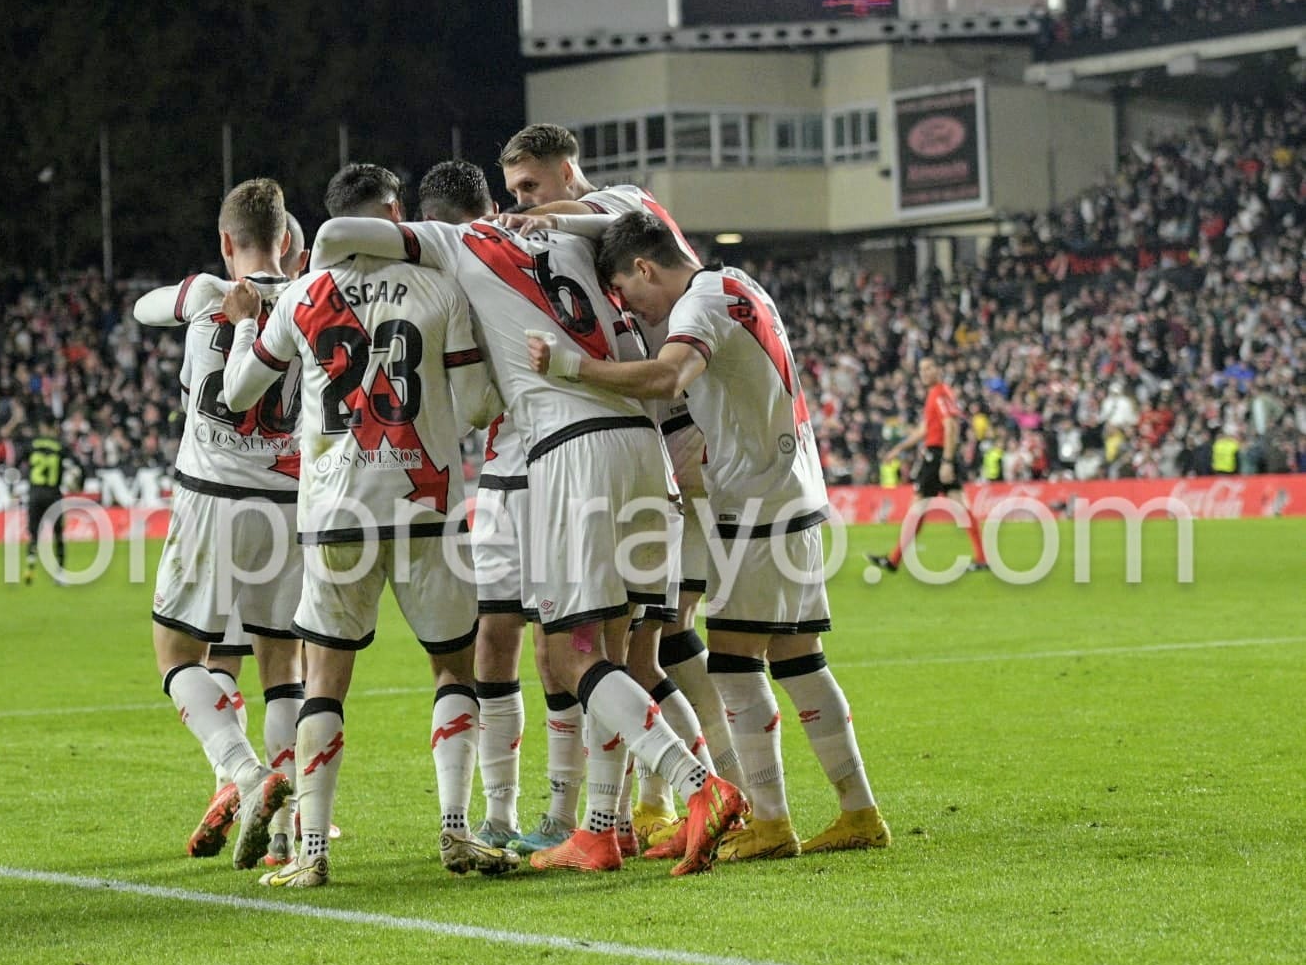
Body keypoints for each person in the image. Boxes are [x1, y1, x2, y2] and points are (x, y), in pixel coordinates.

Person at [310, 160, 746, 877]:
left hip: (573, 456)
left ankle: (703, 787)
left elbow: (334, 230)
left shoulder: (457, 244)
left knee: (571, 656)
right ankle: (602, 828)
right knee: (609, 648)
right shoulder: (575, 237)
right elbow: (643, 224)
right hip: (644, 449)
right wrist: (561, 216)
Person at [526, 209, 890, 858]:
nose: (632, 311)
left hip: (758, 503)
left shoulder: (699, 304)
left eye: (628, 294)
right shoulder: (742, 284)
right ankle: (858, 812)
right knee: (800, 662)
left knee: (732, 663)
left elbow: (668, 376)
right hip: (795, 491)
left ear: (644, 267)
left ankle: (772, 822)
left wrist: (571, 367)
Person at [218, 163, 514, 888]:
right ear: (394, 213)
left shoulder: (304, 295)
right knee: (452, 668)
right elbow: (478, 406)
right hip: (427, 505)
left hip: (336, 511)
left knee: (325, 681)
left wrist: (243, 322)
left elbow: (237, 392)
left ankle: (313, 854)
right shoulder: (441, 286)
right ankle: (455, 829)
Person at [497, 124, 730, 854]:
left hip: (679, 441)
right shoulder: (572, 256)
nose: (525, 203)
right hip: (649, 448)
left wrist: (547, 218)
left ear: (568, 171)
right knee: (635, 653)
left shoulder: (618, 206)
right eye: (514, 194)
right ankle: (633, 812)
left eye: (532, 186)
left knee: (636, 648)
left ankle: (683, 795)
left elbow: (639, 227)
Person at [129, 178, 303, 868]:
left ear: (227, 241)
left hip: (211, 496)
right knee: (283, 666)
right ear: (287, 239)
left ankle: (246, 772)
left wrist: (198, 292)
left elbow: (145, 309)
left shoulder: (205, 295)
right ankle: (290, 831)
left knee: (175, 655)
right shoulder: (313, 295)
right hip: (287, 506)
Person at [866, 357, 991, 575]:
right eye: (921, 369)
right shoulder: (938, 394)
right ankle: (982, 558)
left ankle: (894, 560)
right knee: (960, 505)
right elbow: (925, 429)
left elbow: (950, 426)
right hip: (941, 454)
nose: (924, 372)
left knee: (918, 507)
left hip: (937, 456)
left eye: (929, 367)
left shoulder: (940, 393)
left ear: (938, 369)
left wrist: (947, 461)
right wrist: (898, 449)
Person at [18, 420, 79, 586]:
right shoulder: (61, 446)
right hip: (53, 494)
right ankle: (59, 573)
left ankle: (30, 566)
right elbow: (76, 464)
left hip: (35, 494)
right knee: (58, 534)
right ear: (54, 428)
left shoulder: (32, 444)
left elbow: (18, 460)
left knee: (34, 533)